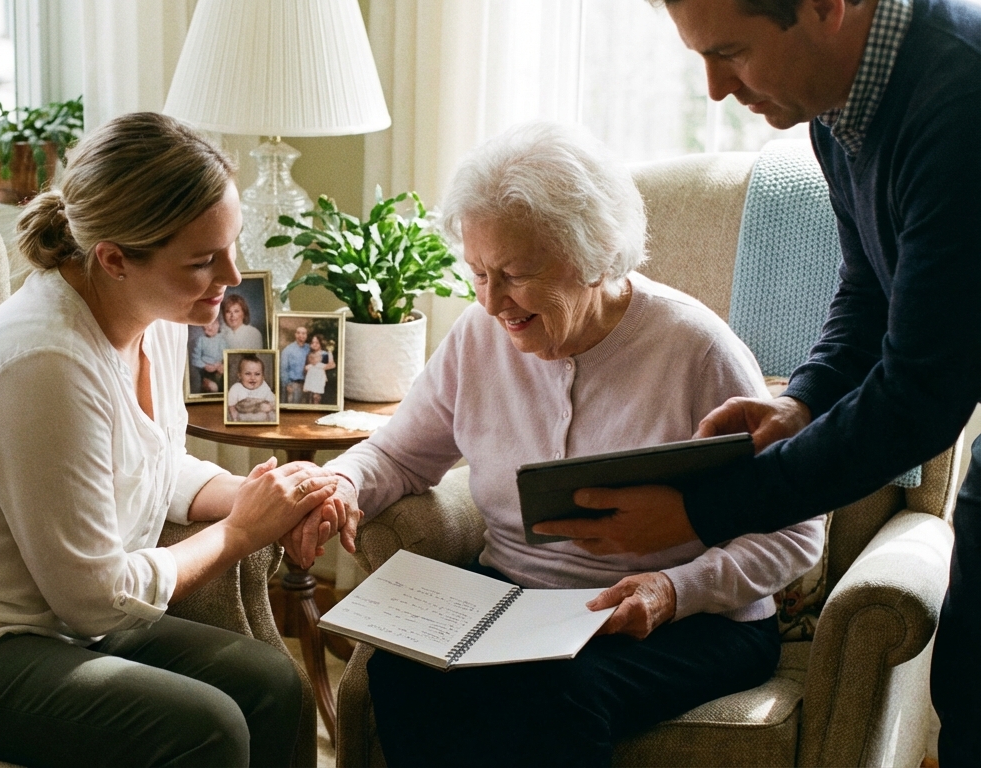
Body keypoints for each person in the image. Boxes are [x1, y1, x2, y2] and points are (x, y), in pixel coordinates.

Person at [528, 2, 981, 761]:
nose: (712, 88)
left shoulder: (959, 103)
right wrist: (797, 405)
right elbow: (868, 298)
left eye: (731, 52)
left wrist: (700, 512)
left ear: (827, 8)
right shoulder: (838, 110)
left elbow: (919, 399)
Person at [0, 112, 346, 768]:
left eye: (231, 245)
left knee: (274, 685)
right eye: (203, 260)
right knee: (206, 727)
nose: (231, 274)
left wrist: (273, 496)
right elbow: (93, 598)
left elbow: (155, 467)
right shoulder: (42, 359)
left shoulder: (159, 316)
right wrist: (241, 532)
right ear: (112, 258)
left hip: (53, 627)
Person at [321, 121, 825, 767]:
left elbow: (795, 531)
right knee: (402, 673)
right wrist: (339, 481)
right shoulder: (479, 337)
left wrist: (672, 590)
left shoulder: (697, 349)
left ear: (593, 255)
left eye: (517, 274)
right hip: (517, 600)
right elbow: (396, 455)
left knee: (552, 696)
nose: (493, 301)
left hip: (691, 620)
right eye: (477, 273)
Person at [227, 354, 277, 423]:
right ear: (239, 376)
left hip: (262, 421)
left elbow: (273, 404)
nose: (253, 378)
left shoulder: (264, 387)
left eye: (257, 374)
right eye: (248, 374)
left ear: (263, 377)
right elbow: (231, 406)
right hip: (243, 420)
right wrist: (235, 419)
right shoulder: (236, 388)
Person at [190, 316, 228, 393]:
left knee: (223, 387)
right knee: (212, 387)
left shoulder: (222, 340)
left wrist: (223, 364)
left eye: (214, 323)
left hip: (219, 369)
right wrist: (205, 365)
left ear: (218, 325)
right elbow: (194, 359)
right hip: (206, 371)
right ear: (202, 325)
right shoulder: (200, 340)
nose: (210, 326)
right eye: (207, 324)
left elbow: (227, 354)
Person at [280, 325, 310, 404]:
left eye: (304, 333)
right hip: (293, 384)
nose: (301, 335)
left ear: (306, 335)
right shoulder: (288, 350)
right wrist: (287, 385)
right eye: (299, 333)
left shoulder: (309, 348)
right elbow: (283, 369)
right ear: (295, 335)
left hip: (308, 385)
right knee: (294, 409)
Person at [303, 335, 335, 405]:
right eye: (312, 343)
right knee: (309, 397)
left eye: (317, 343)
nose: (314, 344)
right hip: (311, 380)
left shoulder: (325, 354)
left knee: (317, 397)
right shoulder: (309, 354)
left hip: (321, 380)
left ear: (321, 343)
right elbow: (306, 368)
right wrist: (307, 368)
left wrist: (321, 367)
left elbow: (332, 365)